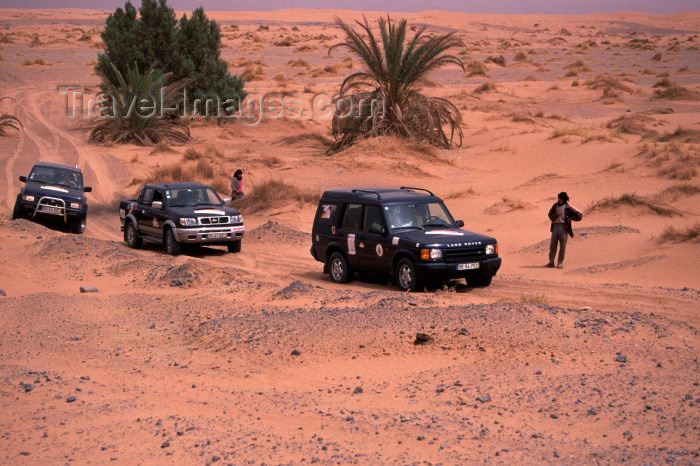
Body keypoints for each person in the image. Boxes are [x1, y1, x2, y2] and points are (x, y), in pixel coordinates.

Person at [546, 191, 582, 269]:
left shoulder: (568, 207)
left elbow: (579, 215)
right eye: (558, 198)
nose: (559, 200)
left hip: (564, 227)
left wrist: (571, 219)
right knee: (553, 245)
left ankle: (560, 263)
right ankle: (551, 262)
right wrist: (556, 215)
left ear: (564, 199)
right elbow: (550, 215)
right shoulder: (555, 206)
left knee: (562, 246)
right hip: (555, 226)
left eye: (560, 198)